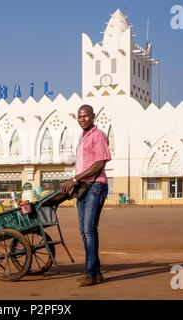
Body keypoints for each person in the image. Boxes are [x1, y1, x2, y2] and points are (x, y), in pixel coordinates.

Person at [61, 104, 111, 287]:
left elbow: (100, 164)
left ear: (93, 116)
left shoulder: (97, 136)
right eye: (80, 116)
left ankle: (90, 274)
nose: (83, 119)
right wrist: (76, 183)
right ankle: (95, 272)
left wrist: (75, 178)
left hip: (96, 186)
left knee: (89, 230)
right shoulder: (83, 137)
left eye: (86, 116)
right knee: (84, 231)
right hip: (84, 187)